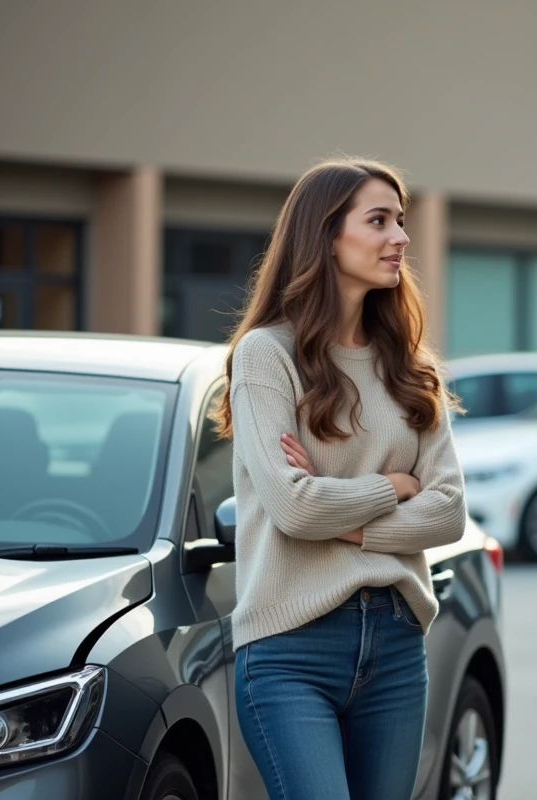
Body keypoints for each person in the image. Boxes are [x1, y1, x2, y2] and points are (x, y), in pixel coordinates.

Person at [212, 158, 467, 800]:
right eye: (378, 221)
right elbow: (294, 510)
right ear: (325, 236)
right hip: (290, 649)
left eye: (401, 222)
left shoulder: (411, 369)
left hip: (397, 644)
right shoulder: (266, 357)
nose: (400, 238)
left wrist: (351, 525)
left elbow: (449, 512)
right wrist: (396, 487)